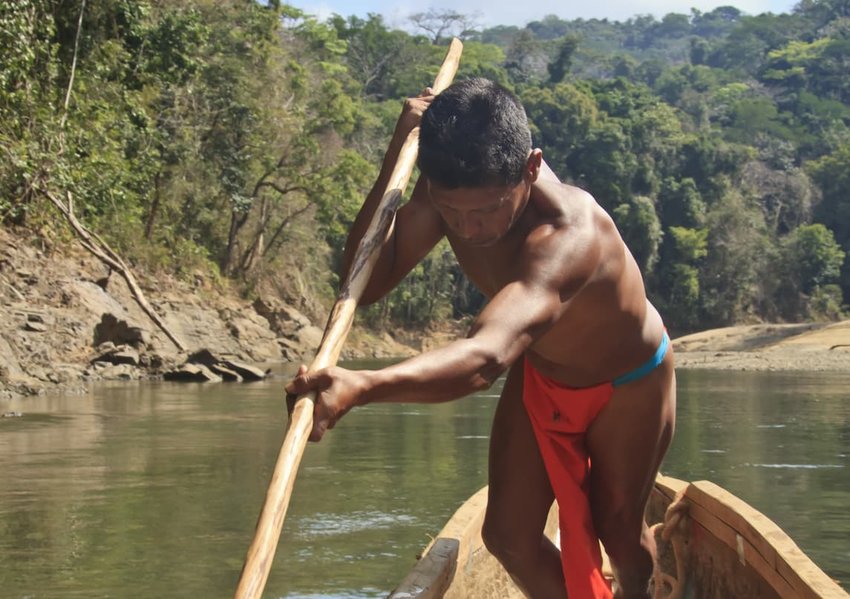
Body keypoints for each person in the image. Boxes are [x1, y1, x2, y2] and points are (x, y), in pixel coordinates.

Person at [286, 77, 676, 599]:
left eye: (488, 209)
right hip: (543, 371)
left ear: (530, 169)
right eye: (452, 213)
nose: (468, 229)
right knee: (508, 538)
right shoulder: (445, 192)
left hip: (629, 383)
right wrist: (397, 154)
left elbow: (486, 358)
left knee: (621, 533)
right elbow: (369, 279)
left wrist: (364, 385)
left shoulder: (571, 235)